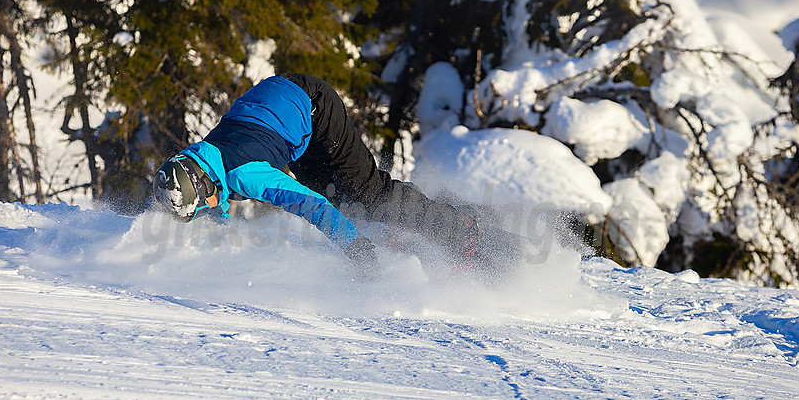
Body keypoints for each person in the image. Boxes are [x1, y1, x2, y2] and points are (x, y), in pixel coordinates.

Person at [152, 73, 523, 279]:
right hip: (279, 106)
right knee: (342, 198)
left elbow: (313, 207)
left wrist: (357, 252)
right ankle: (417, 234)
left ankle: (466, 234)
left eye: (201, 207)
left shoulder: (248, 175)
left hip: (314, 106)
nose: (208, 210)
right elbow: (215, 199)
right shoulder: (203, 156)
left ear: (203, 184)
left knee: (368, 193)